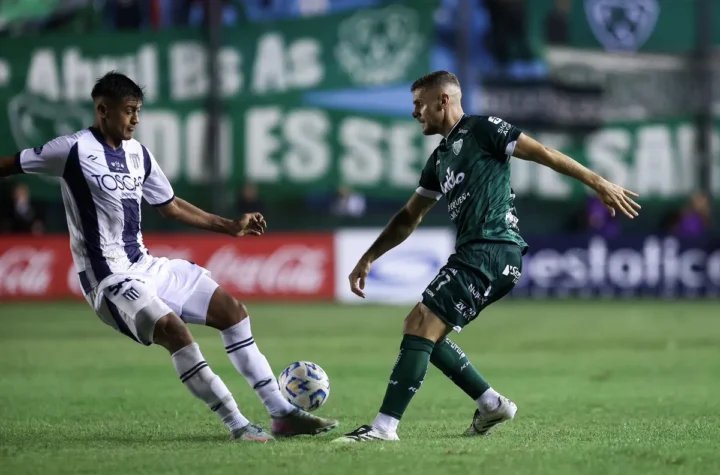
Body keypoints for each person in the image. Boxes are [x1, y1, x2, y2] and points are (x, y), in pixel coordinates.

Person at [0, 71, 338, 442]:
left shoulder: (138, 154)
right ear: (103, 110)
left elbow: (170, 205)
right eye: (128, 110)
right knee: (174, 330)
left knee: (233, 312)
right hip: (108, 278)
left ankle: (282, 414)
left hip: (146, 265)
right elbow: (10, 164)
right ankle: (238, 425)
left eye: (138, 110)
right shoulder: (72, 150)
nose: (135, 118)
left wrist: (229, 225)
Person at [334, 71, 640, 442]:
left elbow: (544, 153)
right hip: (481, 253)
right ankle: (491, 404)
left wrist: (598, 183)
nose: (415, 112)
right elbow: (409, 216)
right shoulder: (440, 159)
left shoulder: (483, 130)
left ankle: (384, 428)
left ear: (443, 100)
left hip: (491, 248)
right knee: (427, 334)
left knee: (419, 322)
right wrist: (369, 256)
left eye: (419, 104)